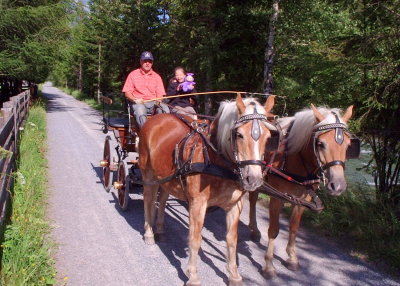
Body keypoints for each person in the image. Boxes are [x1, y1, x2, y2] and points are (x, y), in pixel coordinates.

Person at [122, 51, 169, 128]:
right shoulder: (133, 75)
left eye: (149, 61)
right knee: (140, 109)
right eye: (145, 61)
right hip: (139, 103)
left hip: (153, 103)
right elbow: (127, 93)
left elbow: (160, 94)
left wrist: (159, 100)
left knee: (165, 109)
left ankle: (161, 133)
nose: (147, 63)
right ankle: (145, 133)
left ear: (152, 63)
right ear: (141, 62)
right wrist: (135, 99)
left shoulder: (157, 77)